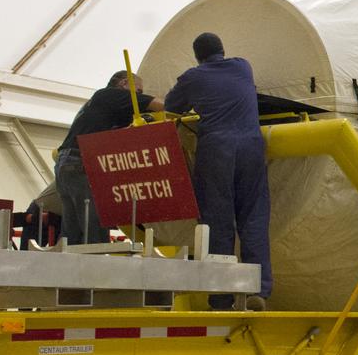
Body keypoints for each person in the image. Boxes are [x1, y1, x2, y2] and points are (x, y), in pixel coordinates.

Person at [165, 33, 272, 300]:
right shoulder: (243, 65)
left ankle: (223, 297)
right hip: (251, 145)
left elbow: (171, 106)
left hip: (217, 150)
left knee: (218, 221)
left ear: (197, 55)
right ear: (223, 49)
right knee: (254, 218)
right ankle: (258, 291)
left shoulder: (193, 76)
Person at [55, 70, 164, 244]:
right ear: (123, 84)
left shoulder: (98, 102)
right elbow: (161, 105)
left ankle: (71, 267)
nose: (139, 96)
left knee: (72, 230)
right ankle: (96, 267)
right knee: (95, 225)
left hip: (66, 163)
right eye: (138, 91)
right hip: (81, 162)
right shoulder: (112, 95)